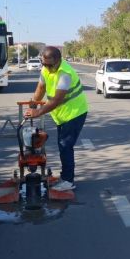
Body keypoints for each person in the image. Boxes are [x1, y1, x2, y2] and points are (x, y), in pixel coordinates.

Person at [24, 46, 88, 191]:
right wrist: (33, 104)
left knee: (65, 146)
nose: (46, 67)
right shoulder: (45, 69)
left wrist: (38, 113)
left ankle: (68, 181)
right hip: (62, 115)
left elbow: (57, 100)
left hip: (74, 113)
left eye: (49, 64)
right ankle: (66, 176)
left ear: (58, 60)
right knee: (62, 145)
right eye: (44, 64)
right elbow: (41, 88)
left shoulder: (65, 73)